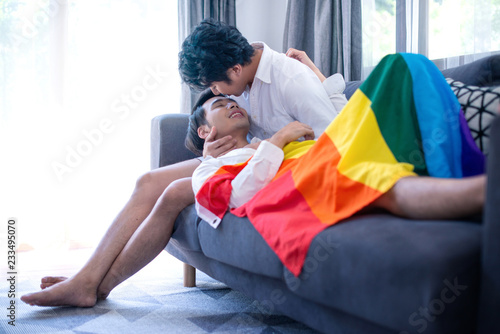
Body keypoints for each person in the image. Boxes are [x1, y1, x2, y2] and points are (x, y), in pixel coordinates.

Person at [20, 19, 346, 305]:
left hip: (281, 164)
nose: (218, 92)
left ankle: (93, 286)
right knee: (147, 182)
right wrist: (211, 157)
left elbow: (334, 141)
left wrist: (272, 146)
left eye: (216, 86)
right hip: (246, 155)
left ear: (234, 69)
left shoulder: (291, 80)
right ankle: (86, 278)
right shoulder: (243, 70)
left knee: (176, 192)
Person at [188, 91, 485, 225]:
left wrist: (317, 77)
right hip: (304, 174)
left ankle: (465, 170)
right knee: (376, 178)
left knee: (400, 67)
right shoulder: (209, 169)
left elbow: (333, 119)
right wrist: (278, 139)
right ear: (204, 130)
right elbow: (237, 198)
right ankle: (484, 191)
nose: (231, 105)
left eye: (232, 101)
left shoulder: (261, 142)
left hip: (328, 149)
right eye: (220, 104)